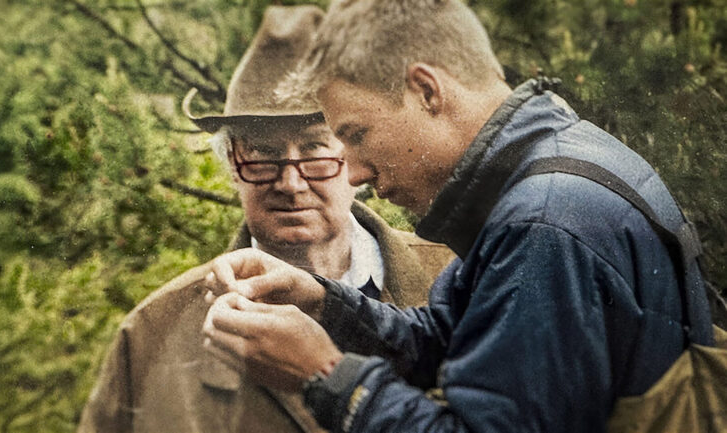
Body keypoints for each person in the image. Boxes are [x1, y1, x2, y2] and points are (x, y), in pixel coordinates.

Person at [201, 1, 716, 432]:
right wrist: (324, 303)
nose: (354, 173)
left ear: (427, 91)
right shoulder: (561, 164)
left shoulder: (541, 224)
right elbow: (454, 334)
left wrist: (325, 375)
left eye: (357, 135)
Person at [76, 5, 455, 433]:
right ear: (231, 165)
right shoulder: (152, 334)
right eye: (262, 153)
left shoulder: (459, 280)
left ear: (357, 157)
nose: (290, 183)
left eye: (314, 149)